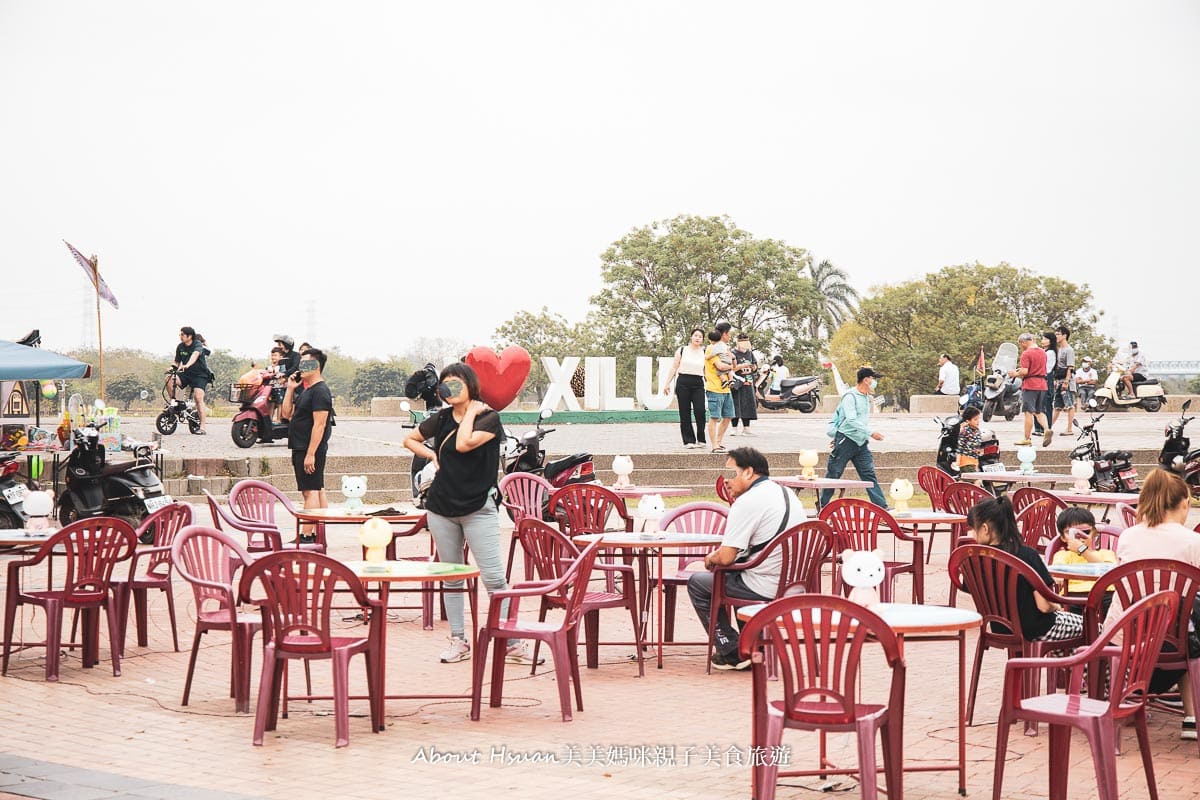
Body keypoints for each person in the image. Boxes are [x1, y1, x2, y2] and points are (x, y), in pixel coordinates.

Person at [401, 363, 541, 667]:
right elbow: (410, 439)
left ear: (471, 386)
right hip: (441, 508)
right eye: (445, 386)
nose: (449, 390)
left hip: (479, 508)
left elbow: (464, 444)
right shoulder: (440, 418)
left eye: (456, 385)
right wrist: (432, 454)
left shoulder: (490, 419)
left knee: (494, 579)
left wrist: (473, 412)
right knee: (451, 577)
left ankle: (510, 643)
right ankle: (458, 639)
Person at [687, 447, 807, 670]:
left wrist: (711, 557)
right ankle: (753, 645)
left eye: (731, 473)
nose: (725, 481)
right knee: (734, 576)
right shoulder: (785, 492)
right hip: (795, 585)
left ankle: (732, 651)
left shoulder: (747, 502)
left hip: (767, 586)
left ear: (749, 472)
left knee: (700, 583)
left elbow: (726, 557)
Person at [1105, 469, 1200, 740]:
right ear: (1184, 503)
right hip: (1174, 639)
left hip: (1127, 633)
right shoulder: (1193, 541)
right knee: (1188, 622)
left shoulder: (1128, 537)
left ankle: (1131, 696)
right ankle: (1192, 716)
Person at [967, 495, 1084, 646]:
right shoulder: (1027, 555)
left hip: (999, 628)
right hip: (1037, 630)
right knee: (1097, 628)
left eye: (972, 529)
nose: (972, 534)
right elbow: (1044, 606)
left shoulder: (972, 559)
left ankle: (1066, 667)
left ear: (985, 529)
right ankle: (1080, 669)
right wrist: (1057, 607)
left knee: (1070, 641)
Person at [281, 347, 334, 533]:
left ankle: (307, 535)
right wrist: (290, 389)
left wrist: (311, 454)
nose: (300, 367)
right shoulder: (307, 391)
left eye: (305, 364)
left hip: (310, 448)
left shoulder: (320, 391)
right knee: (316, 489)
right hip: (300, 446)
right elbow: (287, 414)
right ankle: (318, 533)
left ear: (316, 366)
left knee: (310, 491)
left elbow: (319, 425)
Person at [820, 367, 889, 509]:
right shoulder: (850, 396)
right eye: (873, 378)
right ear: (866, 380)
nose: (874, 382)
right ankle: (823, 506)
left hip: (860, 443)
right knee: (834, 474)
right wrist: (871, 433)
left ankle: (881, 506)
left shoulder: (866, 398)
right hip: (846, 440)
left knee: (868, 474)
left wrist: (865, 435)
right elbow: (851, 420)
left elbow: (861, 421)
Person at [1050, 507, 1116, 597]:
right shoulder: (1062, 555)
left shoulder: (1106, 553)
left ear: (1094, 533)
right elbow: (1057, 573)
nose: (1079, 536)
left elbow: (1109, 573)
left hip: (1105, 593)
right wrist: (1057, 577)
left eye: (1086, 531)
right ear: (1063, 537)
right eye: (1070, 533)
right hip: (1074, 595)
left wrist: (1082, 550)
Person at [662, 328, 708, 449]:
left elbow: (707, 371)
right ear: (691, 337)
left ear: (703, 339)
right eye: (695, 335)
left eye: (700, 336)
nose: (698, 338)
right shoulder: (682, 350)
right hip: (683, 382)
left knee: (700, 411)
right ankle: (688, 440)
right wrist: (667, 383)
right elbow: (674, 367)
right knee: (685, 412)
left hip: (698, 382)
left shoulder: (704, 351)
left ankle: (701, 438)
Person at [1008, 333, 1052, 448]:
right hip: (1042, 384)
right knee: (1039, 411)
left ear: (1024, 342)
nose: (1021, 346)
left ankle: (1027, 439)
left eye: (1021, 344)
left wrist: (1015, 374)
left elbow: (1025, 372)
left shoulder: (1026, 353)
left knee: (1028, 412)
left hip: (1030, 384)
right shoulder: (1043, 352)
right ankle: (1047, 429)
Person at [173, 326, 214, 434]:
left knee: (197, 398)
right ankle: (176, 404)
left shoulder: (197, 345)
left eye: (182, 334)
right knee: (170, 378)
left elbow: (195, 355)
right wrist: (171, 368)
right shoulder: (180, 347)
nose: (180, 336)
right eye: (180, 334)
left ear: (189, 336)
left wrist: (187, 365)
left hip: (200, 375)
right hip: (186, 374)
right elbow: (176, 362)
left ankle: (203, 426)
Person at [704, 326, 735, 454]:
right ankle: (714, 445)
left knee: (728, 416)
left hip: (726, 389)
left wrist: (731, 361)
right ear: (723, 334)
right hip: (714, 389)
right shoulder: (712, 348)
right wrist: (731, 367)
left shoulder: (725, 348)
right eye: (729, 334)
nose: (730, 337)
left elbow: (732, 365)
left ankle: (719, 442)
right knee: (714, 417)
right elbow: (721, 366)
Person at [728, 334, 759, 436]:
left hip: (748, 382)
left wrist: (753, 367)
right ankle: (734, 427)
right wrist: (741, 365)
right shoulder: (733, 353)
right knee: (736, 405)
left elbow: (755, 366)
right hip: (737, 382)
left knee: (748, 405)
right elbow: (731, 368)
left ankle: (746, 428)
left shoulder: (750, 353)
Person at [1051, 326, 1076, 434]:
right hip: (1058, 380)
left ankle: (1069, 428)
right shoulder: (1058, 349)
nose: (1056, 336)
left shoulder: (1069, 350)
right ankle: (1048, 427)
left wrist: (1066, 381)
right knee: (1057, 406)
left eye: (1058, 334)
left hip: (1066, 381)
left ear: (1064, 335)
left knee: (1069, 404)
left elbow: (1070, 367)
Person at [1032, 332, 1057, 438]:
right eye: (1042, 339)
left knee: (1046, 405)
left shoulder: (1051, 353)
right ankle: (1038, 428)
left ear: (1051, 341)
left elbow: (1048, 368)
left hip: (1046, 380)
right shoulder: (1042, 351)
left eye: (1045, 339)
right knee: (1037, 404)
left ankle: (1046, 428)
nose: (1043, 341)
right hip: (1038, 379)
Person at [955, 406, 983, 471]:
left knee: (969, 480)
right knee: (977, 481)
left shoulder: (977, 431)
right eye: (975, 419)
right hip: (966, 461)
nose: (978, 421)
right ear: (968, 421)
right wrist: (958, 462)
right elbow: (960, 447)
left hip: (975, 461)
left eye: (978, 419)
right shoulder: (964, 431)